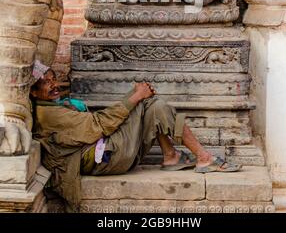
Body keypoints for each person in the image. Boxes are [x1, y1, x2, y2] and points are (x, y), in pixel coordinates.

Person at [30, 61, 241, 211]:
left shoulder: (52, 106)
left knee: (152, 105)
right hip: (103, 158)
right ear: (33, 92)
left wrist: (135, 97)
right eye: (46, 83)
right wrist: (136, 96)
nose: (54, 85)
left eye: (53, 79)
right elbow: (99, 124)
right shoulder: (47, 114)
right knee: (151, 104)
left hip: (104, 150)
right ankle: (203, 158)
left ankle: (172, 157)